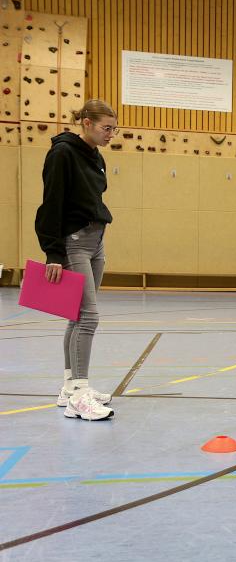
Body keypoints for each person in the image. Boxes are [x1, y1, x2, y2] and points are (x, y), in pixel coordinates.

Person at [36, 99, 118, 421]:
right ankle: (80, 397)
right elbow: (50, 204)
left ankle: (70, 387)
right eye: (105, 128)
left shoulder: (95, 156)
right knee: (89, 317)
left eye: (114, 128)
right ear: (86, 122)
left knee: (76, 315)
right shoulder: (62, 154)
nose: (111, 134)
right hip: (73, 244)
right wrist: (53, 254)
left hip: (95, 242)